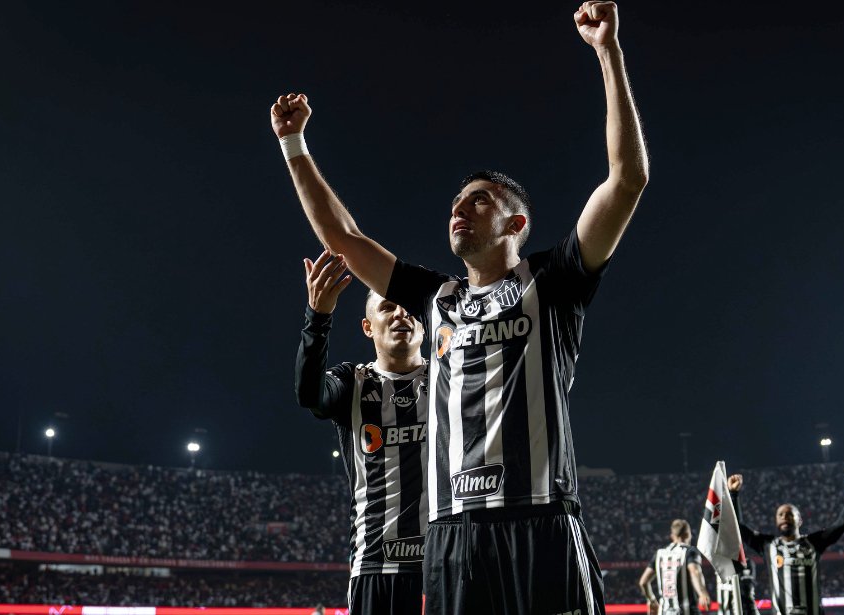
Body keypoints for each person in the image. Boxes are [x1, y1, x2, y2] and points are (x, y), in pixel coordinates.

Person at [271, 2, 647, 613]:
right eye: (456, 201)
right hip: (453, 534)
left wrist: (608, 52)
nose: (460, 208)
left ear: (515, 222)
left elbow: (627, 178)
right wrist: (293, 144)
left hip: (541, 518)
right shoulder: (433, 298)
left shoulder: (552, 280)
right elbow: (345, 239)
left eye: (479, 201)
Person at [295, 250, 428, 615]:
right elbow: (310, 395)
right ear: (368, 327)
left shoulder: (451, 378)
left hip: (446, 561)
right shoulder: (352, 381)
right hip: (375, 564)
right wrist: (318, 317)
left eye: (409, 309)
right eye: (387, 308)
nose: (401, 313)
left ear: (425, 325)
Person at [728, 473, 844, 615]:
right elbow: (739, 527)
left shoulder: (814, 543)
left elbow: (841, 525)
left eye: (789, 514)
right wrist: (733, 494)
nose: (784, 517)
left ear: (799, 520)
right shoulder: (768, 545)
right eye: (780, 515)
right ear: (776, 522)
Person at [638, 519, 711, 615]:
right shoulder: (690, 551)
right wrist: (702, 593)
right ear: (688, 534)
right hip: (686, 611)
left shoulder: (660, 554)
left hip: (665, 612)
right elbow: (695, 572)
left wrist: (651, 600)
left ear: (672, 536)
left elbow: (643, 582)